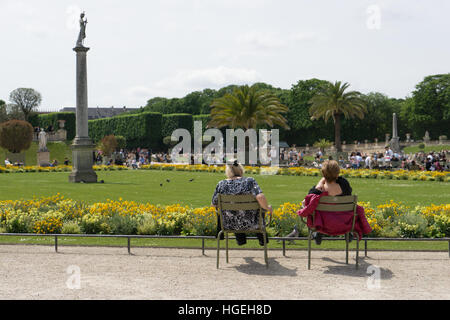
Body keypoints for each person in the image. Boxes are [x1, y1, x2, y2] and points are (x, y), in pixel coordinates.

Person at [211, 159, 273, 246]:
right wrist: (268, 208)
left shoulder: (221, 184)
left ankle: (240, 239)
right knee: (260, 209)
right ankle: (262, 238)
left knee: (232, 213)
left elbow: (213, 204)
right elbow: (260, 197)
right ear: (240, 170)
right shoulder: (249, 181)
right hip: (252, 224)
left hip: (229, 225)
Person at [304, 160, 353, 245]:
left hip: (323, 224)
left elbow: (306, 202)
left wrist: (320, 183)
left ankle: (318, 232)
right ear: (338, 173)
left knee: (312, 209)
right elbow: (349, 193)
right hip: (343, 222)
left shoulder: (318, 190)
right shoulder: (344, 185)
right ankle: (348, 233)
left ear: (323, 174)